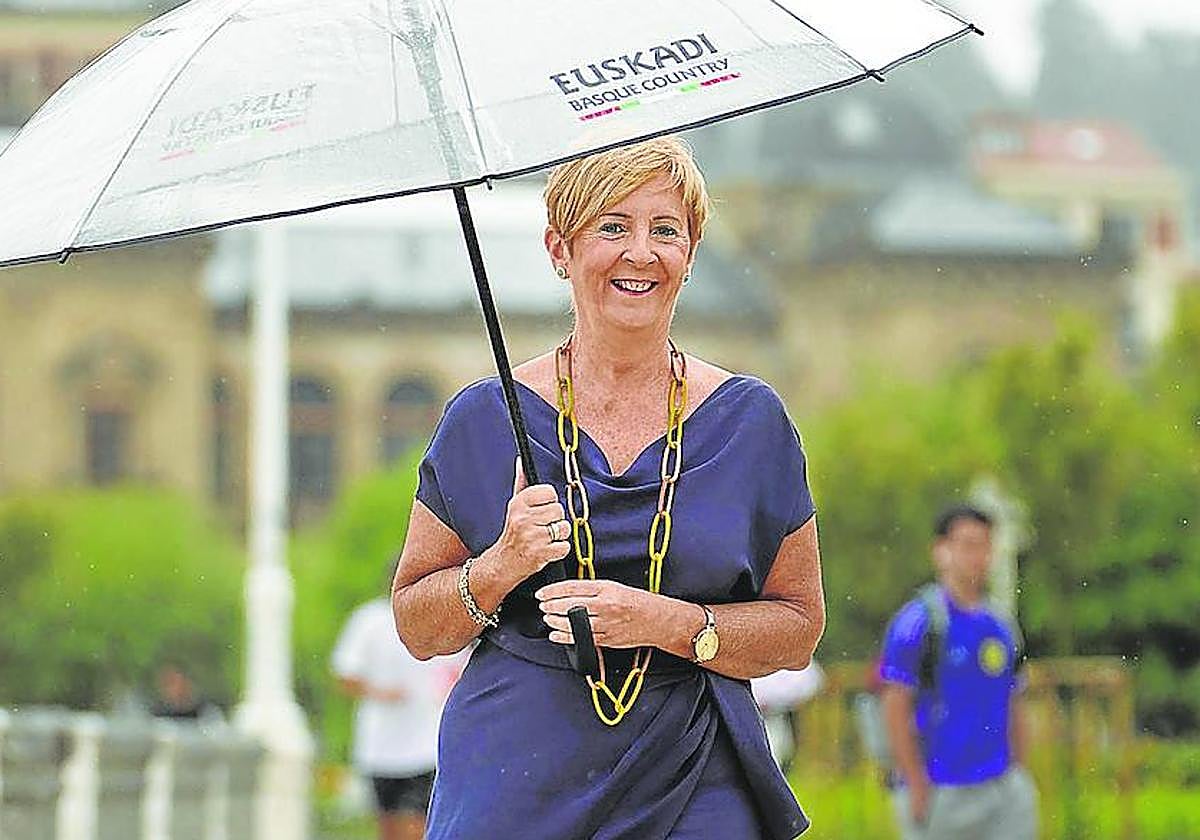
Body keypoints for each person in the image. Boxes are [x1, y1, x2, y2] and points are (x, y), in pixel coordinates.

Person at [392, 137, 826, 840]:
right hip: (516, 777)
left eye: (666, 231)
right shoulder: (484, 418)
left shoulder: (752, 422)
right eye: (613, 227)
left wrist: (666, 623)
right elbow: (417, 625)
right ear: (560, 250)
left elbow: (799, 629)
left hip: (695, 774)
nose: (641, 253)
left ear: (690, 253)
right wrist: (504, 562)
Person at [879, 504, 1037, 840]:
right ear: (941, 551)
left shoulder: (1001, 627)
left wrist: (1018, 774)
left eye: (984, 545)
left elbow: (1015, 702)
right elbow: (894, 705)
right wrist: (915, 782)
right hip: (941, 790)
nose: (977, 556)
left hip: (999, 788)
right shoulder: (919, 623)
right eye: (967, 545)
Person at [332, 586, 468, 840]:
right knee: (389, 827)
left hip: (427, 747)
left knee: (418, 824)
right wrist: (380, 692)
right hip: (380, 749)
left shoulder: (445, 616)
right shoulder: (370, 621)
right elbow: (345, 674)